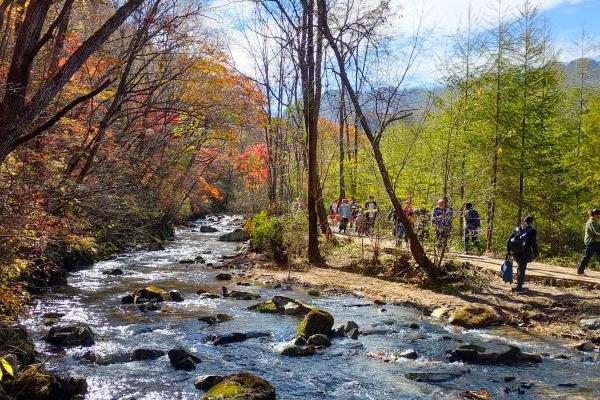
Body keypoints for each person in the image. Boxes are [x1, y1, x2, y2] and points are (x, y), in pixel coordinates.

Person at [507, 215, 539, 293]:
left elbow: (509, 239)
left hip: (515, 252)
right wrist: (536, 254)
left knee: (520, 267)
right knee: (522, 268)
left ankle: (518, 285)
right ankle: (519, 287)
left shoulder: (517, 228)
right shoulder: (532, 230)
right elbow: (533, 244)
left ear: (524, 220)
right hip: (524, 252)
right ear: (531, 221)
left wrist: (508, 251)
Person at [577, 208, 600, 276]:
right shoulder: (590, 222)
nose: (599, 216)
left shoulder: (595, 222)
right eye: (598, 215)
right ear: (595, 215)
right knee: (586, 257)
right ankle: (580, 272)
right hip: (591, 243)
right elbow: (595, 232)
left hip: (597, 242)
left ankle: (580, 271)